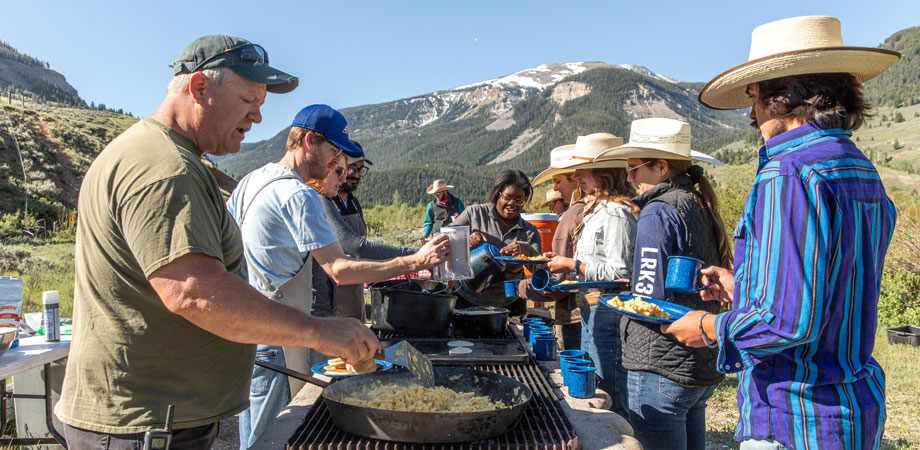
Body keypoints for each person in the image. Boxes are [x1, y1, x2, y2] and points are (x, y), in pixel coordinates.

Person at [53, 35, 366, 449]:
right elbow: (194, 292)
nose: (257, 116)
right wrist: (317, 332)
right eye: (248, 100)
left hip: (156, 418)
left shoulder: (166, 156)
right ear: (199, 88)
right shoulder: (165, 168)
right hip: (142, 425)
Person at [663, 16, 901, 450]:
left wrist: (712, 326)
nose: (750, 113)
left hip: (795, 413)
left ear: (783, 96)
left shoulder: (788, 172)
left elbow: (786, 321)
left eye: (753, 97)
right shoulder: (858, 167)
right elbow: (831, 284)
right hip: (851, 410)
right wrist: (747, 288)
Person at [227, 104, 449, 448]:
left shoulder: (253, 181)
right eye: (333, 154)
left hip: (255, 332)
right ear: (309, 141)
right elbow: (340, 268)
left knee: (256, 436)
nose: (338, 166)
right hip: (281, 338)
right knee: (271, 439)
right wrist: (414, 260)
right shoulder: (300, 194)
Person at [595, 118, 729, 449]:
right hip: (700, 358)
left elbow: (648, 298)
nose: (628, 178)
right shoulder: (697, 202)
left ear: (661, 167)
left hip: (660, 362)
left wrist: (626, 298)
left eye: (634, 169)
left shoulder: (657, 210)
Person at [542, 133, 637, 414]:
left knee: (609, 388)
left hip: (607, 311)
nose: (578, 175)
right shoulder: (598, 208)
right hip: (592, 309)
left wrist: (572, 266)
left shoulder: (616, 212)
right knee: (599, 383)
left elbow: (619, 272)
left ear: (604, 172)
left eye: (585, 169)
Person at [311, 144, 415, 320]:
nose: (357, 175)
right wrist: (410, 258)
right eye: (352, 169)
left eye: (361, 170)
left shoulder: (353, 203)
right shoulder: (323, 201)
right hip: (330, 296)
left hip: (355, 290)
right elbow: (357, 247)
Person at [452, 169, 541, 314]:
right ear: (497, 194)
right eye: (507, 197)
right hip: (467, 299)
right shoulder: (474, 214)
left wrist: (527, 250)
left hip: (509, 304)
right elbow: (444, 241)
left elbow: (539, 272)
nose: (512, 204)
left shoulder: (529, 231)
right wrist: (464, 240)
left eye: (519, 200)